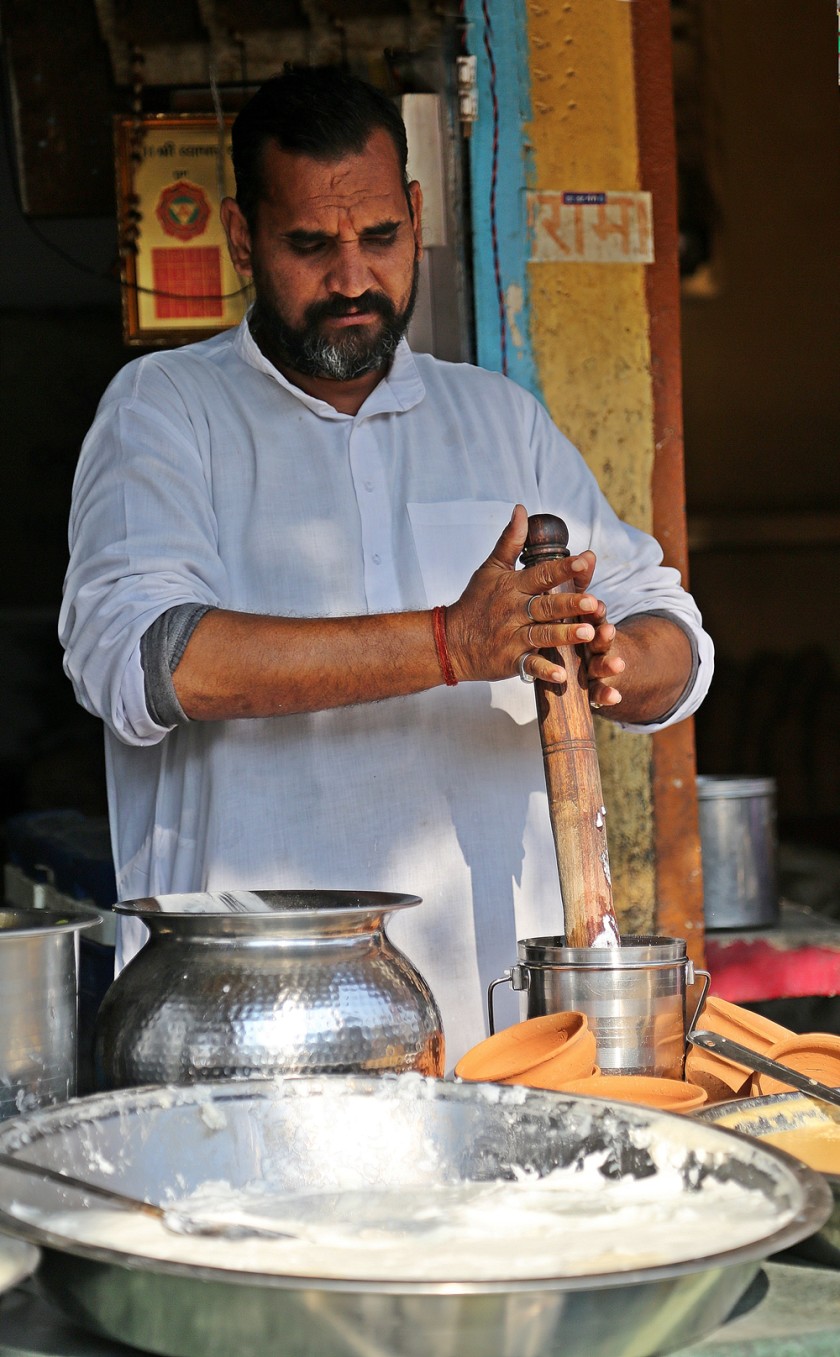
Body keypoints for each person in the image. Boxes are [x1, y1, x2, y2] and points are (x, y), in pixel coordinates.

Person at [60, 67, 713, 1066]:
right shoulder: (163, 411)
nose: (353, 279)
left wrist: (619, 661)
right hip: (248, 1024)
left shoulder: (497, 420)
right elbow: (146, 661)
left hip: (497, 1023)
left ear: (415, 215)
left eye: (380, 238)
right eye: (310, 246)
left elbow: (673, 631)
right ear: (242, 239)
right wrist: (450, 643)